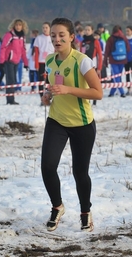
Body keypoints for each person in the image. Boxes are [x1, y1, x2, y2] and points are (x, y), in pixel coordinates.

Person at [40, 17, 103, 232]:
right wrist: (47, 96)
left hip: (82, 124)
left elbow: (98, 93)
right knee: (47, 167)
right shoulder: (49, 61)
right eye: (53, 36)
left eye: (61, 35)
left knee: (80, 172)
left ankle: (85, 211)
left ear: (71, 37)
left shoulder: (82, 61)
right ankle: (57, 207)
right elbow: (52, 86)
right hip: (57, 120)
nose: (57, 39)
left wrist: (68, 90)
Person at [0, 18, 29, 105]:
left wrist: (26, 63)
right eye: (17, 25)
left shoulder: (22, 37)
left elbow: (23, 50)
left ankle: (12, 98)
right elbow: (3, 47)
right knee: (10, 80)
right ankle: (10, 99)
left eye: (20, 25)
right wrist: (1, 61)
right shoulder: (10, 35)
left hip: (17, 61)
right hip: (8, 61)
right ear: (14, 26)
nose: (18, 27)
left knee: (14, 80)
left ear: (22, 26)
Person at [104, 25, 131, 97]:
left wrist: (105, 61)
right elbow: (128, 48)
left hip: (114, 60)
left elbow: (107, 50)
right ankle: (112, 92)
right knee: (117, 75)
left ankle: (121, 92)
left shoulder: (111, 38)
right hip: (123, 59)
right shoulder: (124, 37)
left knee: (116, 76)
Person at [81, 25, 103, 105]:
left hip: (93, 66)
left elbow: (99, 55)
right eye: (85, 30)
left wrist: (99, 68)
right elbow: (80, 54)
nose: (86, 31)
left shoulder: (95, 41)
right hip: (84, 66)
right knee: (85, 84)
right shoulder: (82, 42)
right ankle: (87, 99)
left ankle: (94, 101)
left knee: (94, 84)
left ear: (92, 31)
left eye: (88, 30)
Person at [34, 22, 55, 100]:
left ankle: (49, 96)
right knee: (41, 80)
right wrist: (36, 64)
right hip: (41, 62)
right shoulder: (38, 38)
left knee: (50, 80)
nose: (45, 29)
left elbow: (56, 51)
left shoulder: (53, 37)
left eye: (46, 27)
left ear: (50, 28)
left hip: (51, 62)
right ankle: (41, 97)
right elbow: (36, 52)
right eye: (43, 28)